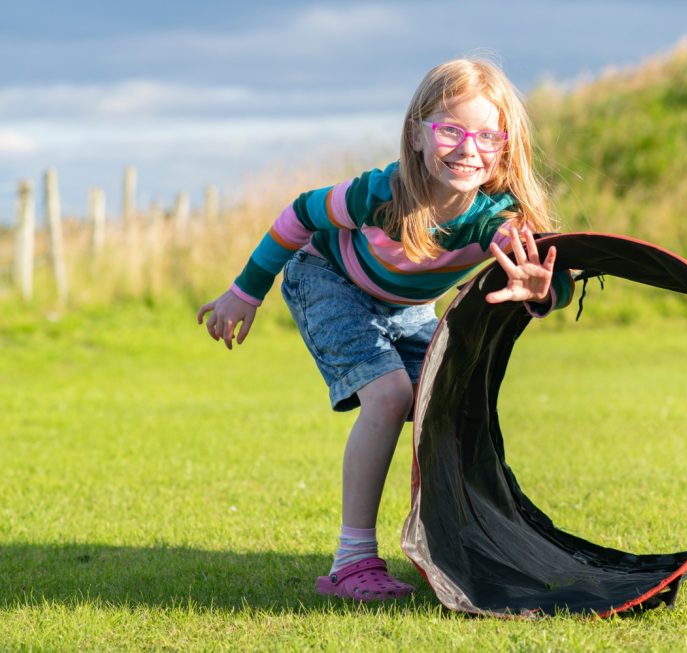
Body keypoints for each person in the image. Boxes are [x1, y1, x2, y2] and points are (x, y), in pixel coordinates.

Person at [196, 58, 574, 602]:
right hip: (326, 278)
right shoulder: (382, 194)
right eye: (451, 130)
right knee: (390, 394)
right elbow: (300, 214)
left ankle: (454, 544)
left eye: (488, 136)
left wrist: (542, 290)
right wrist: (244, 291)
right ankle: (352, 561)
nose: (469, 149)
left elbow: (544, 270)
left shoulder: (497, 215)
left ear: (506, 146)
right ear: (417, 135)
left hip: (408, 306)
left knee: (441, 403)